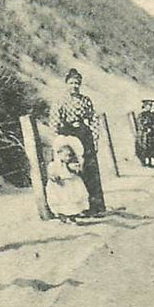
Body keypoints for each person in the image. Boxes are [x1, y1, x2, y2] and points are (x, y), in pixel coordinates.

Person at [48, 69, 106, 216]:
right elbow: (54, 123)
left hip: (84, 136)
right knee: (70, 171)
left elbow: (93, 119)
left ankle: (95, 206)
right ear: (66, 83)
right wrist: (58, 142)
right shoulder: (59, 100)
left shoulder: (86, 100)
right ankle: (71, 209)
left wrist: (94, 138)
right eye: (71, 83)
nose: (74, 86)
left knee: (90, 169)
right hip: (68, 136)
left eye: (77, 83)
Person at [45, 136, 90, 222]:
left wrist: (76, 169)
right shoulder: (53, 165)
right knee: (61, 201)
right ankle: (63, 216)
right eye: (66, 155)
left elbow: (78, 171)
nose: (68, 158)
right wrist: (54, 177)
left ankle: (73, 216)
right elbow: (51, 173)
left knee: (72, 201)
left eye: (70, 155)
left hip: (71, 185)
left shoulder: (71, 164)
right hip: (60, 186)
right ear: (58, 154)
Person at [135, 99, 154, 167]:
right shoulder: (141, 115)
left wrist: (152, 128)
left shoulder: (152, 114)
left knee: (151, 148)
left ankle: (150, 162)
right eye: (148, 106)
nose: (149, 107)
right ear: (144, 106)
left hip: (151, 134)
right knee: (143, 147)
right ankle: (143, 162)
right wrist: (146, 129)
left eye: (150, 106)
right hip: (143, 134)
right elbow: (139, 124)